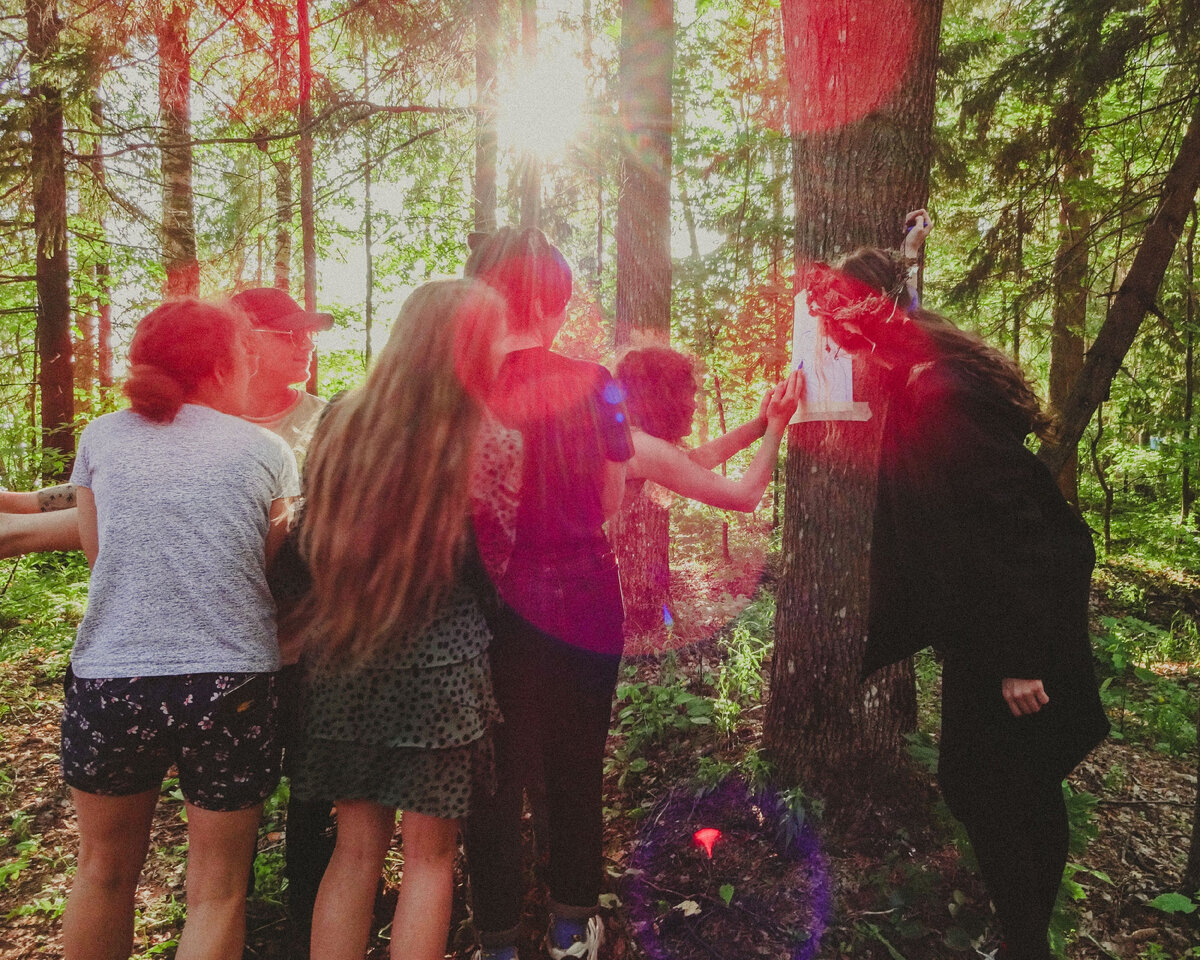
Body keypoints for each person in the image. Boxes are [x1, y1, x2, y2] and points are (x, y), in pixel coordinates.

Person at [805, 214, 1109, 960]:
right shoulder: (921, 370)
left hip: (1016, 630)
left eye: (840, 328)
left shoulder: (940, 391)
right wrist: (906, 258)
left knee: (999, 789)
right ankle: (1025, 938)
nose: (836, 342)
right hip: (987, 623)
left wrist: (1019, 656)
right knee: (1000, 785)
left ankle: (1028, 944)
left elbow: (1018, 526)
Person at [60, 298, 300, 960]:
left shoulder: (101, 438)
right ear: (222, 367)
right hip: (230, 684)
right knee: (217, 891)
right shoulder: (265, 450)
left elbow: (99, 556)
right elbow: (261, 566)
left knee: (101, 871)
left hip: (112, 678)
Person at [282, 279, 515, 960]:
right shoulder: (489, 434)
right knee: (429, 860)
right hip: (441, 667)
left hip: (345, 656)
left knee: (353, 852)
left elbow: (307, 535)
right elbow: (496, 562)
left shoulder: (340, 419)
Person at [461, 227, 633, 960]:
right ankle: (571, 926)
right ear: (549, 304)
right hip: (587, 594)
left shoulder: (458, 388)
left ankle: (498, 939)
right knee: (577, 763)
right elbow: (611, 501)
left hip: (491, 602)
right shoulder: (600, 383)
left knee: (492, 775)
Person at [615, 346, 801, 511]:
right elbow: (745, 498)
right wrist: (777, 424)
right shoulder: (643, 447)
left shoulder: (633, 440)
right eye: (689, 394)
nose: (694, 405)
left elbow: (692, 462)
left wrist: (762, 424)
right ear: (666, 400)